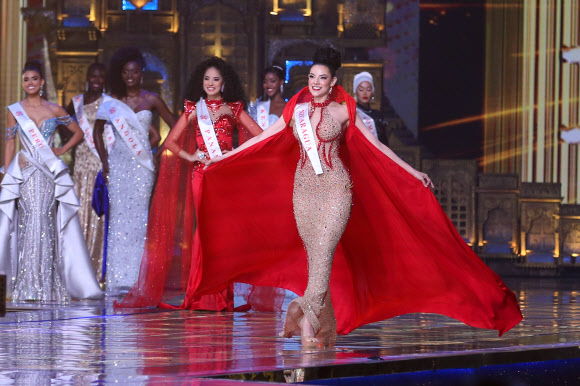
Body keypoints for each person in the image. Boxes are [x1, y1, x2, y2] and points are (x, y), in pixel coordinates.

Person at [176, 47, 522, 347]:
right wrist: (224, 157)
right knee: (317, 262)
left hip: (337, 189)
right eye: (311, 76)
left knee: (324, 253)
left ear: (333, 80)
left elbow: (377, 147)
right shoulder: (296, 107)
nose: (315, 83)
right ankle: (321, 328)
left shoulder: (345, 110)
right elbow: (264, 138)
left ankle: (302, 314)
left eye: (322, 78)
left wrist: (413, 173)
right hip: (303, 192)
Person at [118, 56, 273, 310]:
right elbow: (170, 142)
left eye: (216, 79)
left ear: (224, 83)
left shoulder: (234, 109)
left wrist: (234, 154)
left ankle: (220, 294)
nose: (210, 83)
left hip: (226, 177)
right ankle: (202, 293)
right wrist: (191, 156)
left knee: (222, 235)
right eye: (207, 79)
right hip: (202, 175)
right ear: (201, 82)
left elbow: (259, 136)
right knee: (204, 232)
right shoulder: (193, 109)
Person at [0, 60, 103, 302]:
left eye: (34, 79)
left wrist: (61, 149)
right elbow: (10, 143)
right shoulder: (14, 110)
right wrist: (5, 174)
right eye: (26, 79)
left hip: (47, 173)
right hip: (25, 173)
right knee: (27, 222)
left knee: (45, 222)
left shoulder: (55, 110)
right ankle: (26, 284)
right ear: (22, 83)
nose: (30, 83)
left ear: (42, 82)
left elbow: (78, 133)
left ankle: (45, 283)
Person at [93, 47, 176, 296]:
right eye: (126, 72)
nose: (130, 76)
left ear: (142, 74)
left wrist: (159, 153)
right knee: (118, 220)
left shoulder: (151, 99)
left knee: (140, 221)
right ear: (121, 74)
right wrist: (105, 161)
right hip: (118, 164)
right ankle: (118, 278)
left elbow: (176, 126)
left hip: (142, 167)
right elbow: (97, 131)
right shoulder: (112, 102)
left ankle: (138, 278)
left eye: (135, 72)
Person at [65, 63, 110, 283]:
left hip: (100, 167)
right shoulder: (76, 103)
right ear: (87, 77)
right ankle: (76, 270)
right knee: (79, 214)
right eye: (93, 75)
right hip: (81, 166)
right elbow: (63, 128)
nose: (96, 79)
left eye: (101, 76)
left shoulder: (110, 103)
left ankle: (95, 269)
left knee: (96, 215)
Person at [353, 71, 390, 145]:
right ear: (355, 92)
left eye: (368, 89)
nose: (365, 93)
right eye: (361, 89)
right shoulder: (351, 113)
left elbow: (384, 142)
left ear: (372, 92)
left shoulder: (377, 115)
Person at [248, 65, 287, 130]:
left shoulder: (289, 107)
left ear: (281, 82)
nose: (268, 85)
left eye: (273, 81)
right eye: (265, 82)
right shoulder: (259, 107)